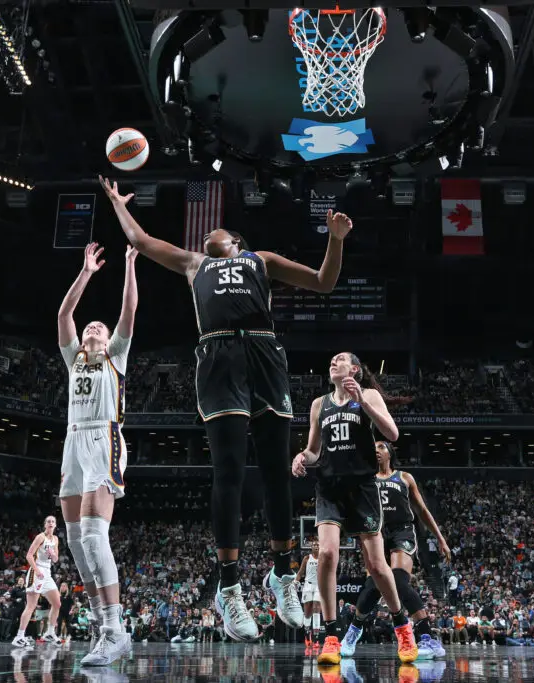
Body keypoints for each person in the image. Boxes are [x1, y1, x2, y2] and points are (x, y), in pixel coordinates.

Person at [100, 175, 353, 641]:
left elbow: (324, 281)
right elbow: (141, 239)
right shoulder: (194, 263)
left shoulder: (261, 260)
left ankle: (282, 574)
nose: (204, 235)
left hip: (263, 353)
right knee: (229, 471)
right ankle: (229, 587)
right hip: (218, 358)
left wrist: (335, 241)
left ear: (235, 241)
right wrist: (117, 203)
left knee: (276, 471)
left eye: (214, 232)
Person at [292, 352, 418, 665]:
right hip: (329, 489)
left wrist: (362, 401)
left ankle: (402, 625)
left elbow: (392, 434)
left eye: (340, 359)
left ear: (355, 369)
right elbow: (314, 450)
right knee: (327, 553)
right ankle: (331, 636)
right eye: (331, 360)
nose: (333, 362)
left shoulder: (369, 395)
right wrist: (301, 457)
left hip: (362, 489)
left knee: (376, 566)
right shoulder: (319, 404)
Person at [57, 241, 138, 665]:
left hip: (103, 439)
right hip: (73, 442)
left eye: (99, 327)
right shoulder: (73, 358)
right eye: (90, 325)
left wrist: (129, 264)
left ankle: (115, 630)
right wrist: (86, 272)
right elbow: (64, 315)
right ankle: (99, 623)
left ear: (108, 340)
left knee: (92, 535)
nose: (93, 326)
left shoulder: (115, 356)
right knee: (75, 542)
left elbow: (128, 312)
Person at [341, 441, 450, 659]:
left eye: (381, 447)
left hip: (402, 531)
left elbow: (422, 510)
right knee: (373, 586)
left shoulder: (404, 478)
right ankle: (354, 630)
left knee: (399, 581)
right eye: (373, 448)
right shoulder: (366, 479)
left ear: (390, 453)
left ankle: (427, 637)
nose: (376, 450)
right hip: (376, 533)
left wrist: (440, 538)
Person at [13, 516, 64, 647]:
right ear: (45, 524)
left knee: (57, 603)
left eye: (53, 521)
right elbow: (29, 555)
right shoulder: (40, 537)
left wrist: (52, 553)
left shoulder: (56, 539)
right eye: (48, 521)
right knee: (31, 606)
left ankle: (49, 633)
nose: (51, 523)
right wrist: (37, 570)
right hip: (36, 571)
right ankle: (19, 636)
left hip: (47, 573)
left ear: (55, 525)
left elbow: (55, 560)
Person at [295, 536, 321, 652]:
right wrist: (296, 581)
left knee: (316, 608)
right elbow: (300, 572)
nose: (316, 546)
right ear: (311, 547)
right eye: (314, 544)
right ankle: (307, 635)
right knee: (307, 612)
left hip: (319, 585)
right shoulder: (307, 558)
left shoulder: (323, 558)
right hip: (308, 585)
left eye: (318, 544)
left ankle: (316, 638)